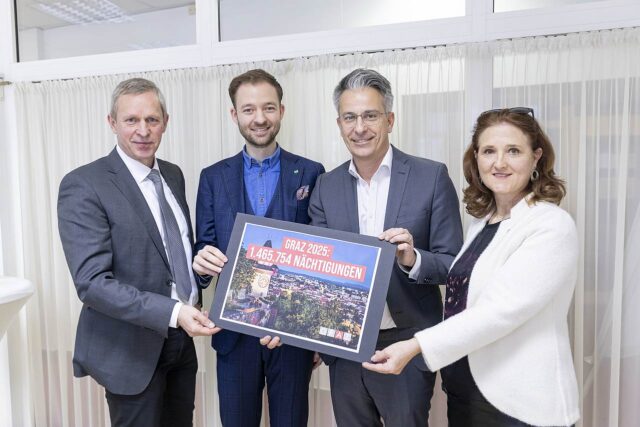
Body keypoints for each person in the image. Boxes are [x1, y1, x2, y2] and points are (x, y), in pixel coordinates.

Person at [363, 107, 580, 427]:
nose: (499, 162)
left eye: (513, 151)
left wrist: (415, 345)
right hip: (468, 394)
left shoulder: (551, 225)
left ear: (536, 157)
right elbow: (464, 298)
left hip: (521, 404)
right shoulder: (483, 224)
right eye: (489, 151)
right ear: (476, 158)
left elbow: (499, 311)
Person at [57, 78, 219, 427]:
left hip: (181, 344)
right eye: (131, 120)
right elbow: (92, 284)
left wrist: (199, 269)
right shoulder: (84, 184)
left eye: (152, 120)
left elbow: (170, 254)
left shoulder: (173, 175)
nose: (143, 131)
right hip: (129, 350)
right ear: (112, 122)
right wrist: (174, 311)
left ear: (165, 122)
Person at [307, 68, 463, 426]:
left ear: (389, 120)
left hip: (406, 344)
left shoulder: (431, 177)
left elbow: (453, 264)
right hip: (344, 347)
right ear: (339, 124)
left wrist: (413, 258)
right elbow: (316, 271)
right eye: (350, 117)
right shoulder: (325, 186)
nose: (359, 127)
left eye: (370, 116)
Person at [192, 69, 325, 427]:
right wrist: (201, 266)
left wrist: (313, 333)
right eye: (248, 109)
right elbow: (204, 248)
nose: (260, 118)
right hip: (233, 335)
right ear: (234, 114)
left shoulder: (311, 173)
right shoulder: (213, 177)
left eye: (268, 107)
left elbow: (319, 255)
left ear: (281, 110)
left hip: (292, 335)